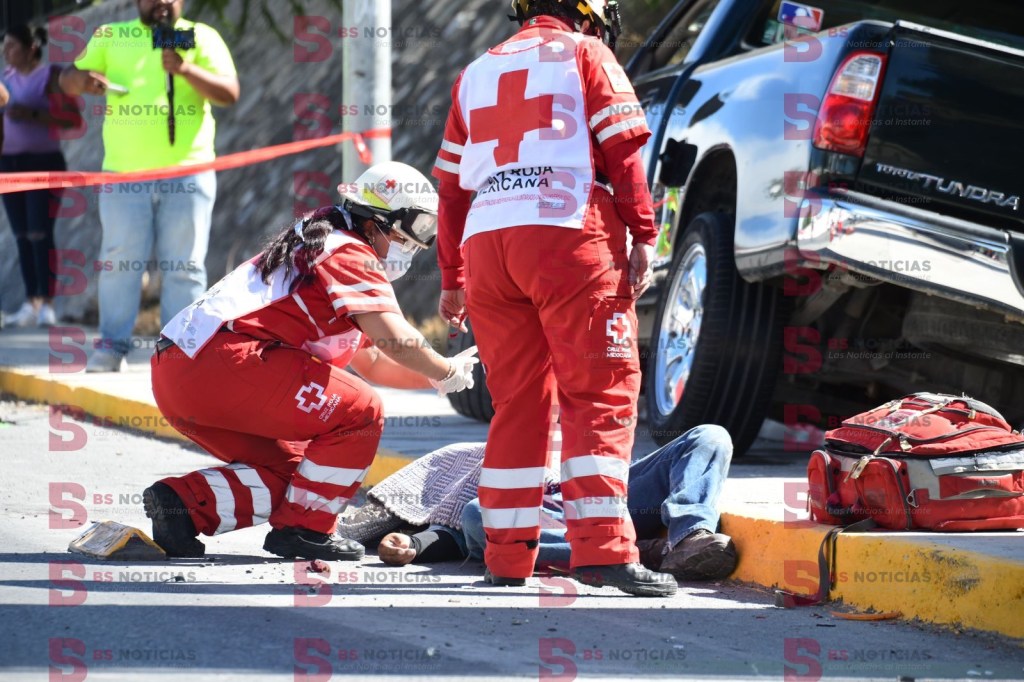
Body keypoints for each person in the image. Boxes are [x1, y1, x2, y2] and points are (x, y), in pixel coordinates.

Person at [432, 0, 670, 595]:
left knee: (516, 404)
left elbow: (451, 190)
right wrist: (644, 234)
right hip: (568, 234)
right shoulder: (589, 53)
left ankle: (506, 557)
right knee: (599, 392)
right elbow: (624, 154)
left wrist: (451, 277)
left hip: (488, 244)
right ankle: (603, 552)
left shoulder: (475, 72)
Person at [144, 162, 479, 562]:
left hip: (181, 372)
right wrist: (444, 368)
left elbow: (373, 361)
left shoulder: (320, 247)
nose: (416, 244)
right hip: (220, 363)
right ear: (374, 221)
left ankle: (183, 505)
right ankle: (305, 530)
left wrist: (444, 379)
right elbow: (393, 338)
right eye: (414, 230)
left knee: (300, 474)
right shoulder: (349, 250)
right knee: (362, 412)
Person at [59, 0, 240, 371]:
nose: (160, 1)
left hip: (189, 173)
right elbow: (67, 80)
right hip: (124, 175)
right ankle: (112, 349)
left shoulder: (201, 37)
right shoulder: (112, 35)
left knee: (185, 266)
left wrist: (186, 69)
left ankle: (178, 356)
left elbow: (229, 92)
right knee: (120, 262)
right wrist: (84, 82)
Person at [374, 427, 738, 583]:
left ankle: (690, 537)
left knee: (710, 436)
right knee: (475, 512)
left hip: (607, 498)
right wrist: (416, 543)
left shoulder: (581, 400)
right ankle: (639, 554)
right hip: (544, 524)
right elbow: (458, 527)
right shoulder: (482, 456)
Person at [1, 24, 82, 328]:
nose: (6, 52)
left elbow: (73, 119)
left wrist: (32, 114)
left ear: (31, 48)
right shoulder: (4, 79)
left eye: (11, 46)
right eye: (4, 46)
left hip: (43, 163)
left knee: (39, 232)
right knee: (22, 235)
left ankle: (47, 304)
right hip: (8, 165)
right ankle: (30, 302)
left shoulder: (51, 76)